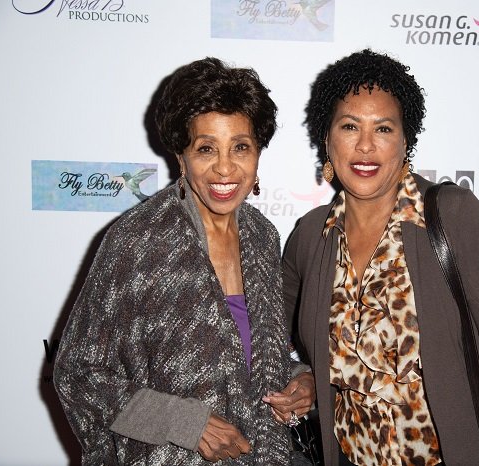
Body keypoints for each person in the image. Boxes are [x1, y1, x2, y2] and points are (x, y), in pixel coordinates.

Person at [54, 56, 314, 465]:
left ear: (258, 154)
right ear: (181, 156)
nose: (225, 167)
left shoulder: (262, 236)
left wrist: (300, 381)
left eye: (240, 147)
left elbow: (248, 356)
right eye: (206, 148)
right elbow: (79, 373)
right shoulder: (139, 240)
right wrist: (183, 422)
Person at [282, 49, 479, 466]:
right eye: (349, 126)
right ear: (327, 139)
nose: (365, 145)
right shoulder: (311, 236)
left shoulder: (452, 215)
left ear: (405, 139)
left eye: (382, 128)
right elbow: (269, 336)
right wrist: (302, 377)